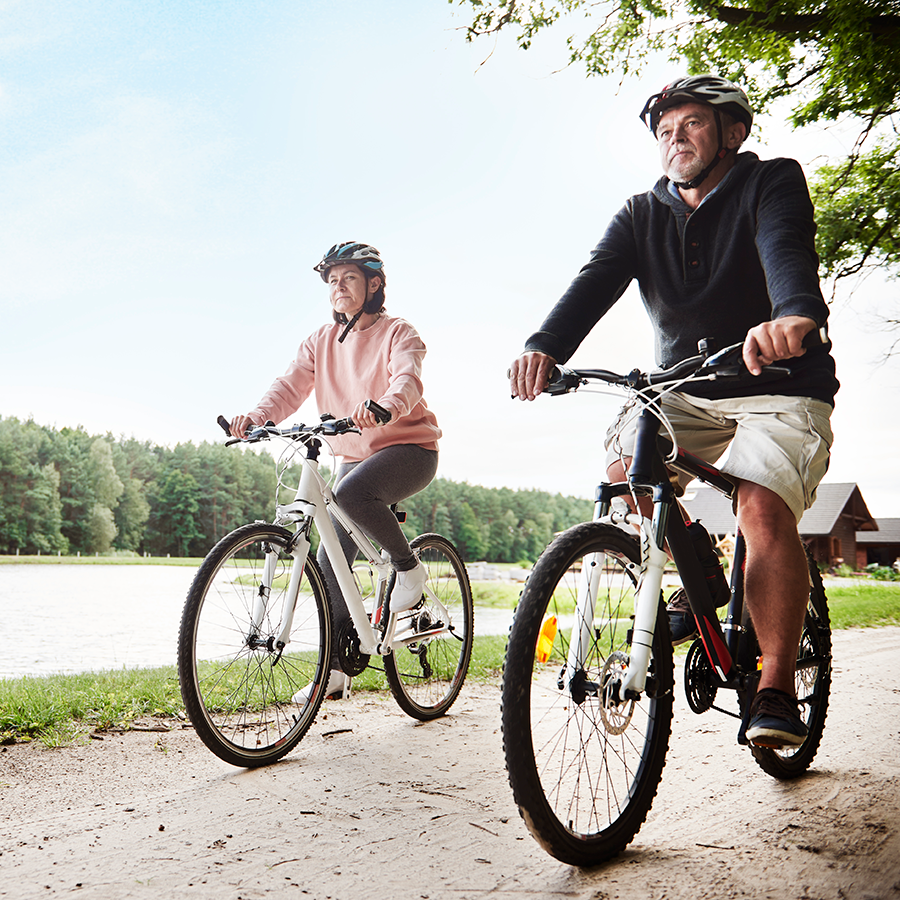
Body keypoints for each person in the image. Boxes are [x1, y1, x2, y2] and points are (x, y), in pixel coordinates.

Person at [508, 75, 839, 750]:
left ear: (732, 133)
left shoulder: (768, 181)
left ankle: (775, 687)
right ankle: (703, 570)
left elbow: (786, 249)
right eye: (664, 131)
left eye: (690, 124)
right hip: (687, 387)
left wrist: (793, 314)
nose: (674, 138)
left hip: (779, 384)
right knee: (627, 469)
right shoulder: (640, 214)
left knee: (761, 507)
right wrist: (543, 347)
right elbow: (595, 279)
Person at [231, 241, 441, 701]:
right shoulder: (320, 342)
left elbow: (407, 378)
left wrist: (386, 406)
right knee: (330, 562)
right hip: (351, 455)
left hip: (408, 448)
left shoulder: (398, 332)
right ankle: (335, 670)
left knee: (351, 494)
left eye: (348, 278)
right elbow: (290, 385)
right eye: (331, 280)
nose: (338, 287)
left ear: (374, 284)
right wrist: (258, 417)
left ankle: (409, 570)